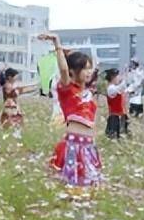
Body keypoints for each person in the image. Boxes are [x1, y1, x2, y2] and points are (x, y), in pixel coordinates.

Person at [40, 33, 102, 187]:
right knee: (71, 187)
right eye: (84, 68)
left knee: (89, 189)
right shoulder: (68, 90)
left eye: (90, 68)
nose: (88, 72)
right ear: (73, 71)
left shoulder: (89, 94)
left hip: (89, 146)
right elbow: (63, 70)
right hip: (73, 146)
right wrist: (57, 43)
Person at [105, 68, 129, 139]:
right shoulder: (111, 88)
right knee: (113, 137)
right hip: (114, 117)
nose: (119, 78)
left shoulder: (114, 87)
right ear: (113, 77)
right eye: (117, 76)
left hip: (118, 116)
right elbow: (121, 87)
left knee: (118, 137)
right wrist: (125, 78)